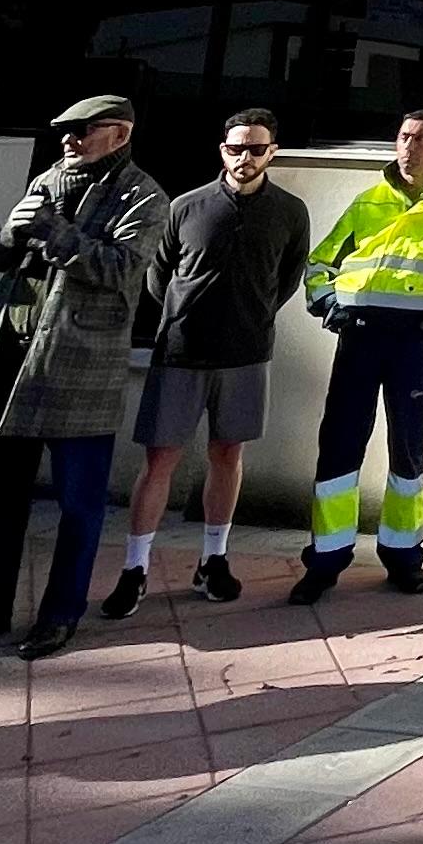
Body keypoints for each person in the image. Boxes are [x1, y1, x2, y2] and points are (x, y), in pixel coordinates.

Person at [0, 95, 166, 660]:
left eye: (83, 131)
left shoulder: (142, 194)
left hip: (79, 364)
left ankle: (59, 615)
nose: (69, 141)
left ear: (119, 134)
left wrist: (56, 232)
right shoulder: (50, 178)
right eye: (65, 132)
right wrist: (8, 234)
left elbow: (123, 270)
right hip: (12, 358)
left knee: (78, 501)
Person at [106, 109, 309, 616]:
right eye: (237, 148)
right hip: (180, 352)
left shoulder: (290, 211)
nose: (246, 158)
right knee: (160, 460)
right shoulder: (186, 206)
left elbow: (285, 279)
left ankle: (213, 560)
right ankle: (135, 569)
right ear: (222, 149)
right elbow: (158, 277)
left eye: (257, 149)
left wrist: (252, 316)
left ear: (272, 152)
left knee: (228, 454)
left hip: (246, 355)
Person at [292, 110, 423, 604]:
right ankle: (326, 559)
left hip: (414, 346)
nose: (409, 147)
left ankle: (403, 556)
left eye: (421, 139)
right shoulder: (368, 202)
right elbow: (320, 264)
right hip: (358, 339)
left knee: (409, 451)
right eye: (403, 137)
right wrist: (332, 309)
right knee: (338, 447)